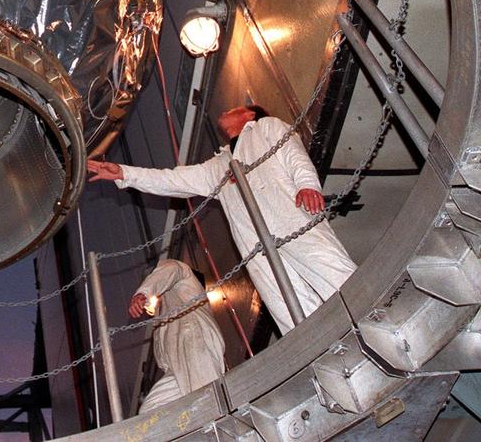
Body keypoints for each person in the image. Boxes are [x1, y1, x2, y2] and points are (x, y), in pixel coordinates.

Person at [88, 106, 356, 335]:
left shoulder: (266, 127)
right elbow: (172, 179)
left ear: (250, 114)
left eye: (234, 108)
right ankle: (321, 354)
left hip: (291, 216)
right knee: (287, 304)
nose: (225, 111)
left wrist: (308, 185)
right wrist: (124, 173)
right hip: (257, 248)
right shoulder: (219, 165)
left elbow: (294, 154)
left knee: (331, 271)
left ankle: (371, 314)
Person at [129, 259, 226, 413]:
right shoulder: (161, 317)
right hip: (174, 368)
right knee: (149, 411)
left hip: (194, 342)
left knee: (208, 401)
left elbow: (170, 270)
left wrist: (144, 292)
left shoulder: (178, 270)